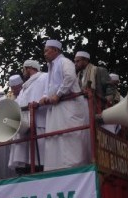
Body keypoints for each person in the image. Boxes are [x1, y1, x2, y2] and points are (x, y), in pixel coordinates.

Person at [40, 39, 89, 171]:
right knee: (55, 138)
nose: (44, 53)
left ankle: (73, 168)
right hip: (56, 109)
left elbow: (69, 78)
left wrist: (58, 94)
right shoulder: (50, 67)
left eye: (47, 50)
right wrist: (45, 97)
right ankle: (56, 169)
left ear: (55, 50)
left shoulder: (64, 62)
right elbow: (48, 87)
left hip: (69, 106)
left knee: (69, 138)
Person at [8, 60, 47, 173]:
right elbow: (19, 103)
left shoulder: (44, 77)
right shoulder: (25, 86)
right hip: (24, 123)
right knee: (24, 158)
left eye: (23, 69)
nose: (23, 72)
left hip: (39, 120)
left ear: (29, 68)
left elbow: (47, 93)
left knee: (39, 156)